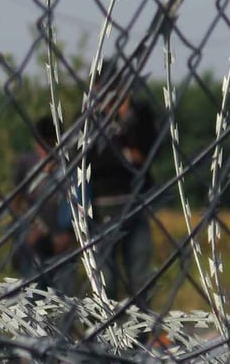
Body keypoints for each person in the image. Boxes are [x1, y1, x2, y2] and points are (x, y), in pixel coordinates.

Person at [87, 57, 159, 310]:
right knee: (106, 278)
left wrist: (126, 116)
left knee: (140, 273)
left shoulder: (139, 113)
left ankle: (141, 326)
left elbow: (150, 150)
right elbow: (91, 161)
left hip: (135, 202)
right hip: (102, 206)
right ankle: (106, 326)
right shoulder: (88, 120)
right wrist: (127, 156)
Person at [9, 115, 82, 294]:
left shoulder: (71, 166)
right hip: (34, 242)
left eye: (51, 145)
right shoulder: (27, 164)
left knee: (63, 299)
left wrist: (70, 236)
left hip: (63, 244)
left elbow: (81, 203)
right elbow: (16, 201)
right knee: (32, 296)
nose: (47, 151)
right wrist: (25, 228)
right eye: (42, 145)